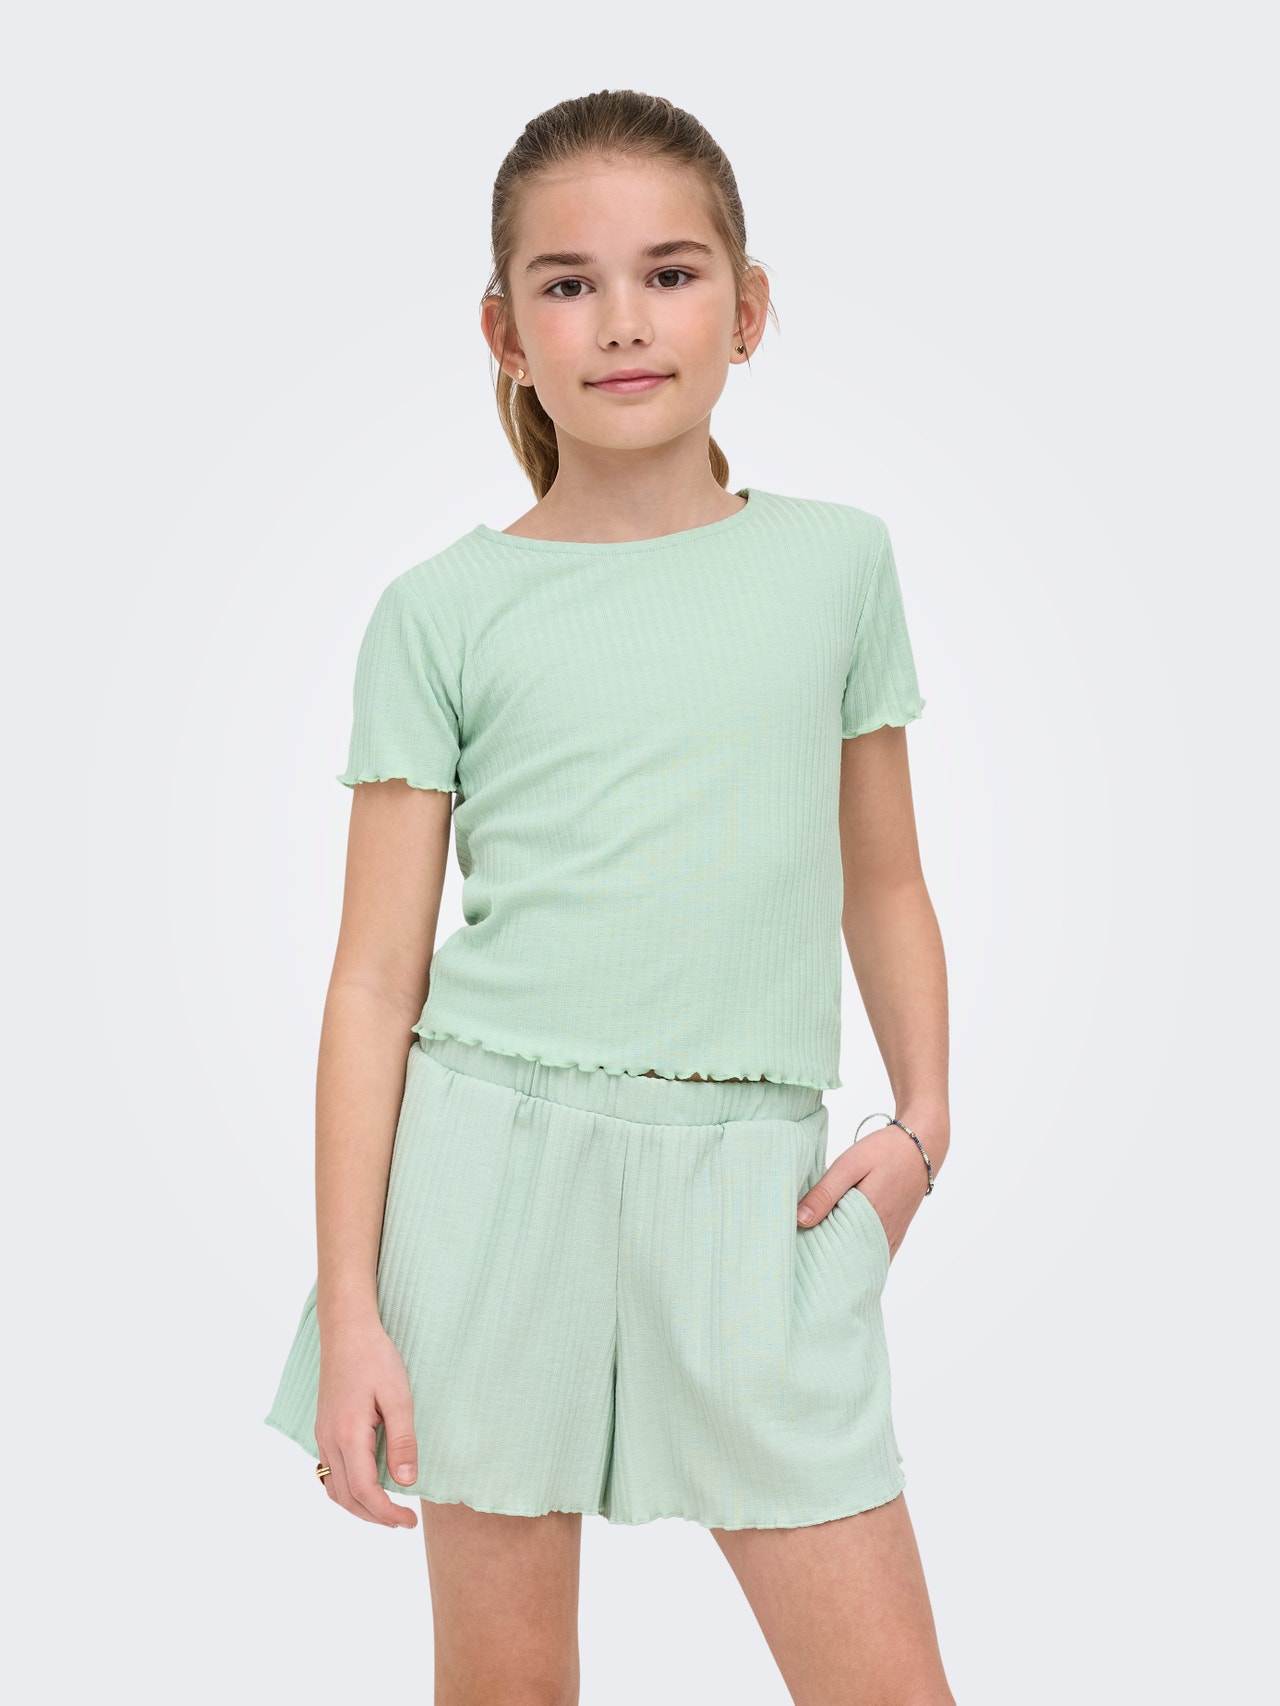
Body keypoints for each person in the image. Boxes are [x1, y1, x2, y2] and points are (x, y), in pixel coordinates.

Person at [264, 87, 956, 1706]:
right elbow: (372, 981)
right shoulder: (442, 612)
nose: (624, 320)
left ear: (749, 307)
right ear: (506, 332)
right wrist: (355, 1307)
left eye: (671, 272)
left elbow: (886, 875)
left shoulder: (838, 564)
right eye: (569, 283)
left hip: (757, 1190)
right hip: (489, 1184)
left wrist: (924, 1123)